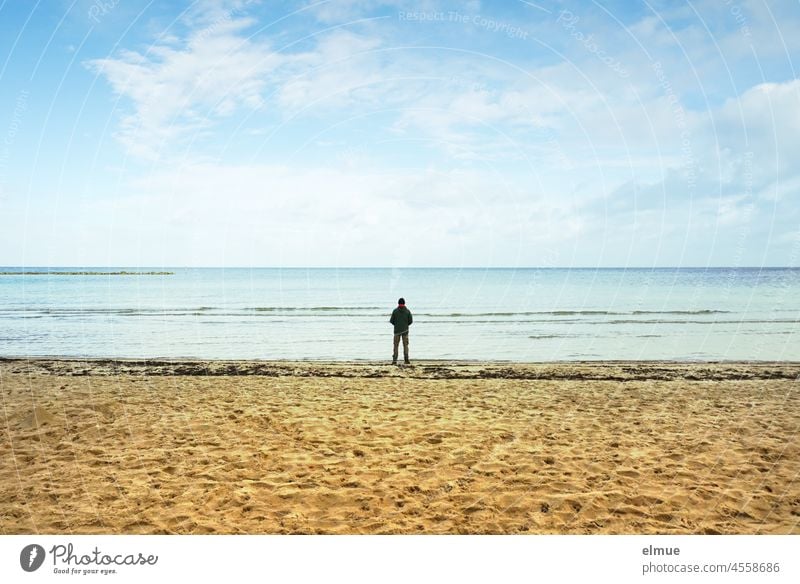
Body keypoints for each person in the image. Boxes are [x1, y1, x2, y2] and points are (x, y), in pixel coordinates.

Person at [389, 297, 413, 365]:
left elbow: (392, 321)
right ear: (404, 304)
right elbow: (410, 321)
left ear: (398, 303)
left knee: (396, 346)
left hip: (397, 331)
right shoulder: (407, 311)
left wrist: (397, 325)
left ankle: (394, 360)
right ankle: (406, 360)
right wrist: (405, 325)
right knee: (405, 345)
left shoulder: (395, 311)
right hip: (405, 331)